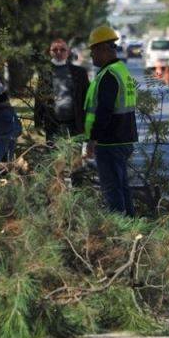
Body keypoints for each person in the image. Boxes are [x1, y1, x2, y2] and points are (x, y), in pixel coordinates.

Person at [83, 26, 138, 217]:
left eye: (93, 51)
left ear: (103, 49)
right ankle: (131, 229)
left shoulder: (109, 75)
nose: (91, 56)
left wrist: (93, 139)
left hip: (110, 141)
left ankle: (120, 233)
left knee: (112, 191)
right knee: (122, 188)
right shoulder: (121, 70)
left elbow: (104, 110)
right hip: (123, 138)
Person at [34, 39, 90, 143]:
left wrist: (88, 122)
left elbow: (87, 97)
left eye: (62, 49)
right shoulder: (45, 73)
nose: (58, 52)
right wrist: (38, 123)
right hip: (53, 125)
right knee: (54, 156)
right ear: (50, 52)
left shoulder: (80, 72)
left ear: (68, 52)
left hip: (75, 124)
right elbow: (39, 98)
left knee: (75, 157)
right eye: (55, 50)